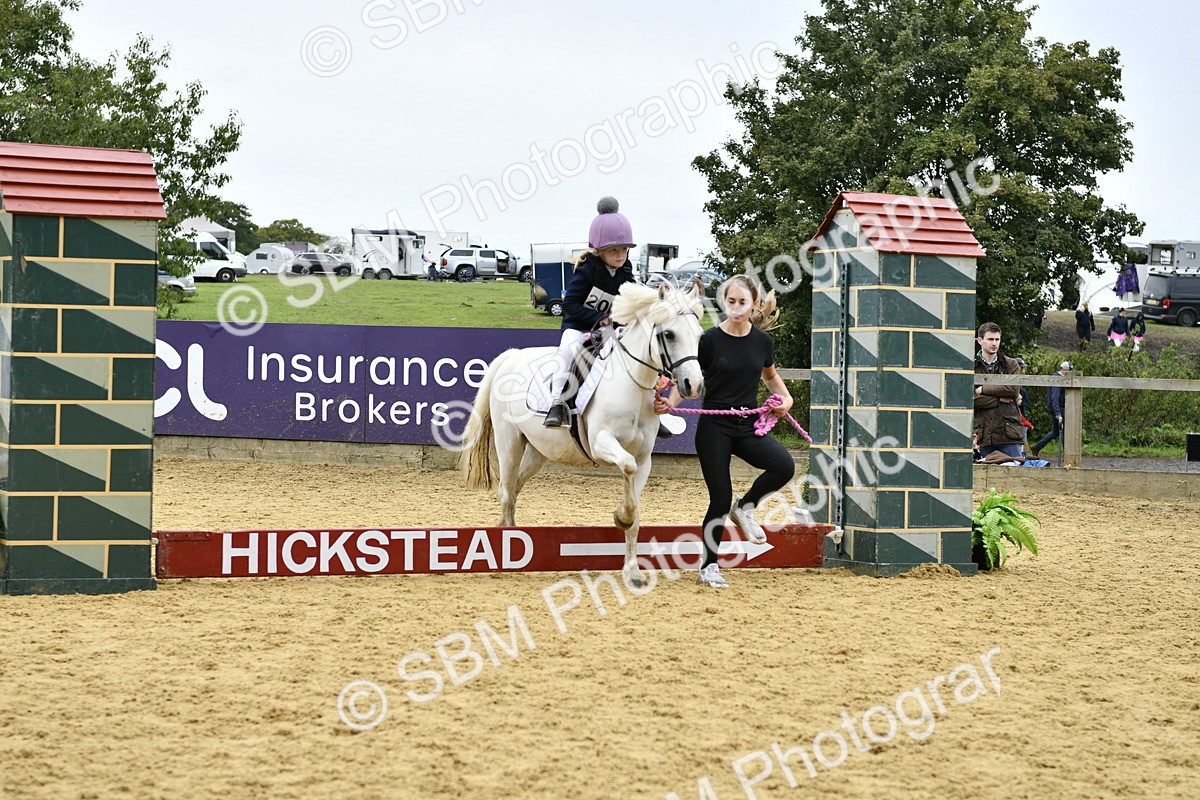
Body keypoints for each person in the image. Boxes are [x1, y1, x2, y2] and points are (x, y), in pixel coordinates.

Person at [655, 275, 794, 588]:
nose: (735, 308)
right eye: (730, 302)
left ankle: (745, 508)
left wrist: (786, 398)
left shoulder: (762, 342)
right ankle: (708, 566)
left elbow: (770, 377)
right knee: (719, 497)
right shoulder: (708, 340)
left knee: (783, 465)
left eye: (742, 302)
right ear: (723, 303)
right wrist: (669, 404)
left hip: (747, 426)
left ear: (753, 304)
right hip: (714, 429)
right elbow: (688, 377)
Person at [543, 197, 636, 428]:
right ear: (599, 250)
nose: (620, 255)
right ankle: (557, 404)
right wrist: (598, 318)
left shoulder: (626, 268)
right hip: (578, 326)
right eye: (613, 250)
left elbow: (633, 293)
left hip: (609, 329)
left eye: (624, 249)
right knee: (565, 353)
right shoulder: (586, 270)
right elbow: (570, 305)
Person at [973, 322, 1025, 462]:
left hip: (1008, 433)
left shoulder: (1010, 364)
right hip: (982, 434)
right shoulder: (971, 366)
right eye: (990, 339)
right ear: (980, 340)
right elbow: (969, 399)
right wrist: (999, 399)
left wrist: (983, 389)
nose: (994, 343)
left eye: (997, 339)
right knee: (981, 479)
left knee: (1016, 477)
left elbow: (1013, 390)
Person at [1030, 361, 1071, 457]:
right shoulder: (1057, 379)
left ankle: (1037, 447)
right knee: (1063, 432)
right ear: (1064, 370)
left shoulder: (1057, 377)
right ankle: (1067, 454)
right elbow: (1054, 397)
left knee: (1056, 432)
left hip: (1057, 408)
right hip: (1058, 409)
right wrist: (1057, 413)